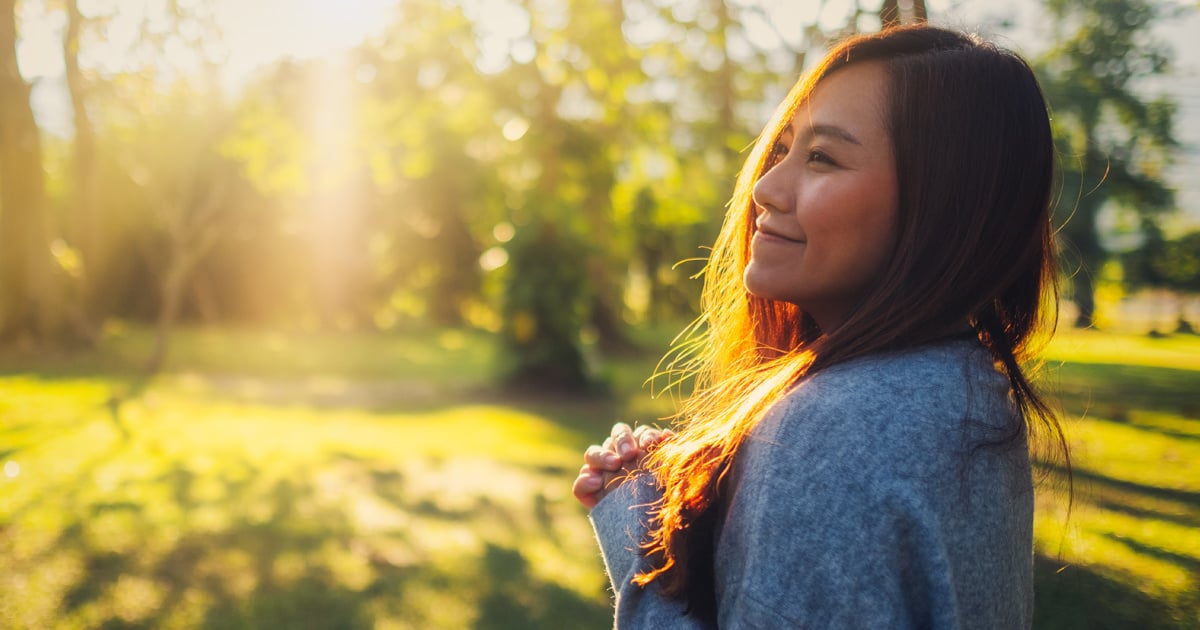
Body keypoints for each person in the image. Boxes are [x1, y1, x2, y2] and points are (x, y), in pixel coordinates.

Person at [571, 24, 1070, 628]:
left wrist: (638, 539)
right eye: (784, 148)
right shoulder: (964, 390)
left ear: (941, 205)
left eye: (823, 158)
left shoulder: (838, 426)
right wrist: (676, 512)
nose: (765, 187)